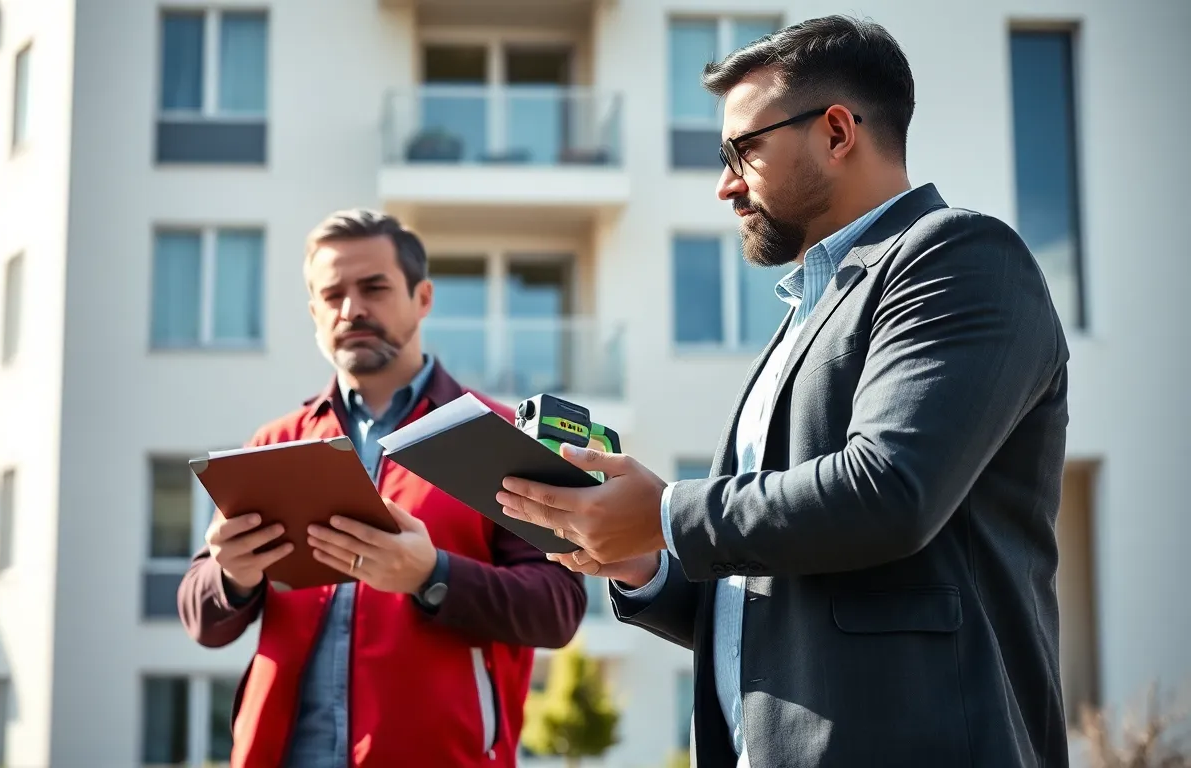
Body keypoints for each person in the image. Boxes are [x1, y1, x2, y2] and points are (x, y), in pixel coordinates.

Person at [494, 14, 1070, 768]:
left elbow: (890, 491)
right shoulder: (803, 317)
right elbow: (769, 598)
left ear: (836, 132)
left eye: (743, 150)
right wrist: (640, 561)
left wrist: (664, 514)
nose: (725, 184)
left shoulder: (959, 258)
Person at [178, 208, 587, 768]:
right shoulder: (273, 442)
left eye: (374, 287)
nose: (352, 309)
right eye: (332, 295)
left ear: (423, 298)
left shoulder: (494, 437)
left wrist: (431, 576)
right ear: (314, 313)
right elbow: (202, 619)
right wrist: (233, 575)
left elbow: (559, 608)